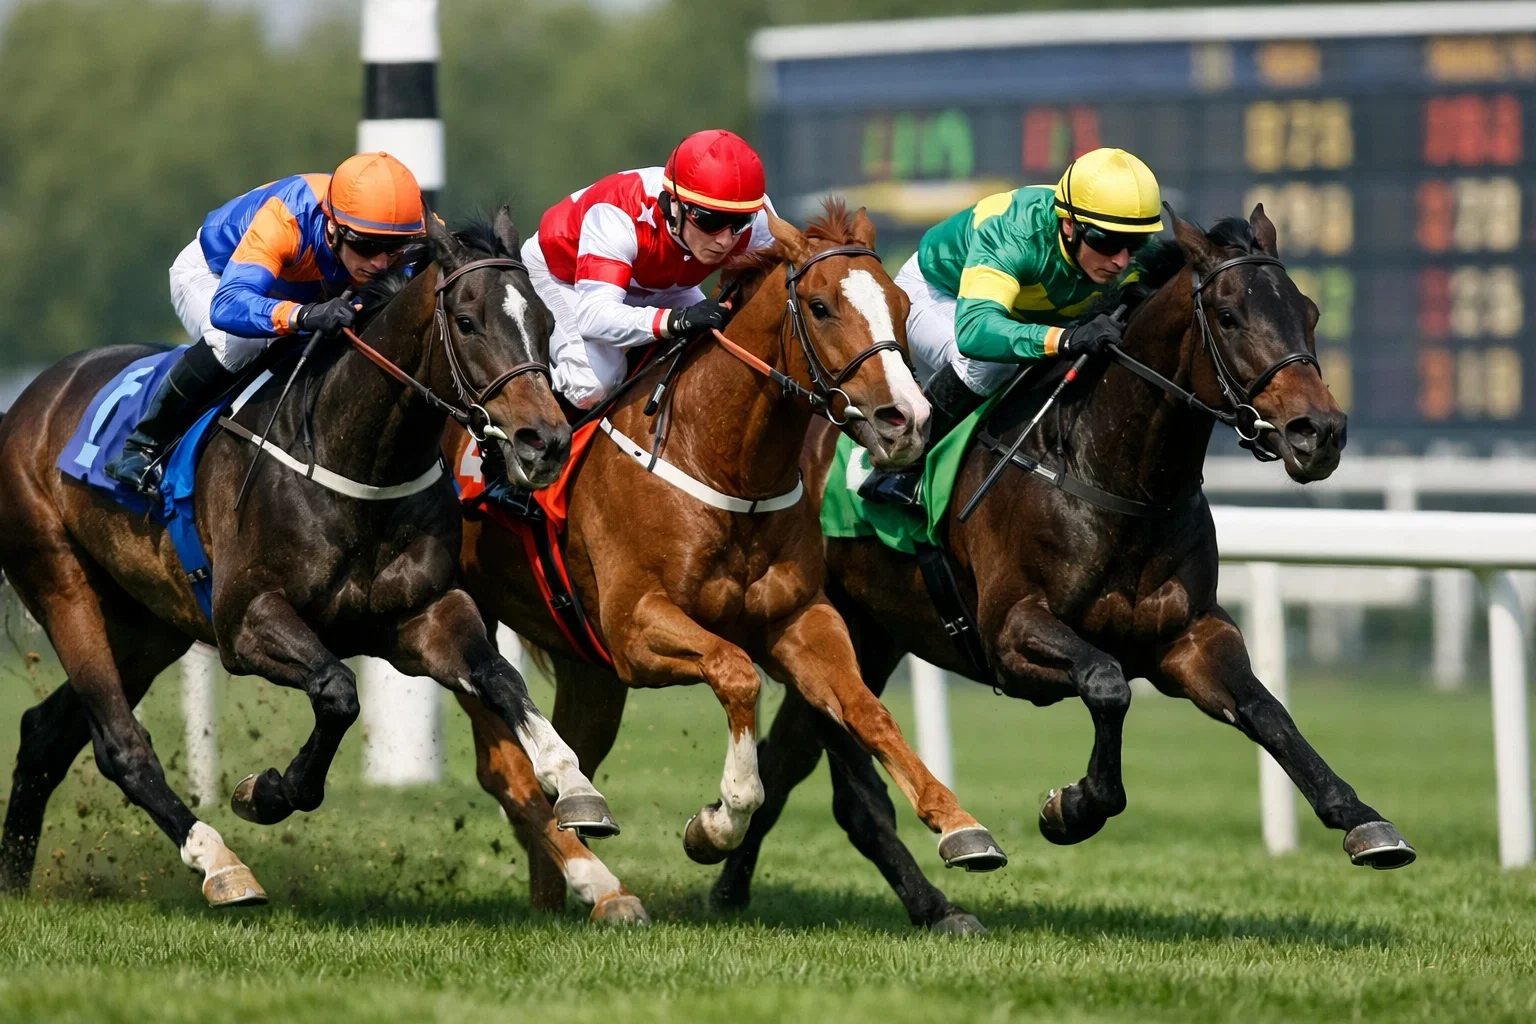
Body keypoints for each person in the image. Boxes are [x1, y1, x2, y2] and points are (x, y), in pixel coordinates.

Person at [475, 128, 778, 512]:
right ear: (674, 204)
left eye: (739, 222)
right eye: (710, 220)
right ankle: (510, 462)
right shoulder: (619, 213)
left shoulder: (756, 221)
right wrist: (678, 319)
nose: (725, 239)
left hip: (656, 280)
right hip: (564, 276)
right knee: (593, 383)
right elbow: (595, 316)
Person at [858, 147, 1165, 506]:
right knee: (993, 363)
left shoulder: (1122, 245)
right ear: (1069, 224)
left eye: (1135, 244)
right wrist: (1065, 338)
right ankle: (901, 465)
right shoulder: (1015, 233)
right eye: (1106, 242)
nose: (1121, 260)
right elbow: (977, 332)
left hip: (1019, 313)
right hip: (939, 294)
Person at [105, 152, 426, 494]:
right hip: (217, 276)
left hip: (307, 288)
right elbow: (229, 305)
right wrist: (303, 315)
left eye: (395, 249)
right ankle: (142, 445)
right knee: (243, 342)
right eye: (367, 246)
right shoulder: (286, 218)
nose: (380, 262)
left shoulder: (409, 222)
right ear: (333, 226)